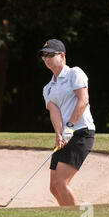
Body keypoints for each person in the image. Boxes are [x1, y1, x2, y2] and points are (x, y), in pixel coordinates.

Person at [38, 39, 95, 206]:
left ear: (62, 56)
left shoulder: (74, 73)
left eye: (50, 54)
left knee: (61, 183)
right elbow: (54, 112)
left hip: (81, 132)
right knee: (54, 188)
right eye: (43, 56)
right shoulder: (47, 88)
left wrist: (70, 126)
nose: (46, 58)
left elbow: (83, 100)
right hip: (65, 135)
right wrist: (58, 133)